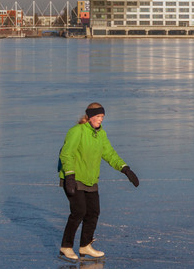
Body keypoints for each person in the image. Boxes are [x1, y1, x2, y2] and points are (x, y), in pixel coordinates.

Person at [58, 102, 139, 260]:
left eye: (102, 117)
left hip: (91, 179)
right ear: (88, 117)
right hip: (74, 177)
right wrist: (69, 176)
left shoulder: (100, 134)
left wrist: (125, 169)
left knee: (94, 212)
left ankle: (85, 246)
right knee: (79, 212)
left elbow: (109, 153)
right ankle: (66, 247)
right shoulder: (77, 131)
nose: (100, 119)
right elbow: (66, 154)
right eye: (97, 116)